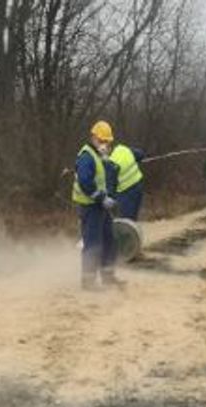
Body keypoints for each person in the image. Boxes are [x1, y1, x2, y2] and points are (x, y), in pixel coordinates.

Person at [72, 120, 124, 291]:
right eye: (102, 141)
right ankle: (88, 282)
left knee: (109, 240)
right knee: (93, 243)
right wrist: (102, 198)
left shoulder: (99, 155)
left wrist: (108, 163)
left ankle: (108, 276)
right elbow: (85, 182)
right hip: (90, 207)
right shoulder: (87, 156)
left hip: (99, 206)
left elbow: (103, 178)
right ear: (93, 137)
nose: (105, 144)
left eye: (107, 142)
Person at [109, 143, 145, 221]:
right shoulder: (122, 148)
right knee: (132, 219)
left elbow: (111, 187)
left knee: (126, 221)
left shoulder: (111, 163)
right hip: (138, 186)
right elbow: (141, 154)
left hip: (126, 193)